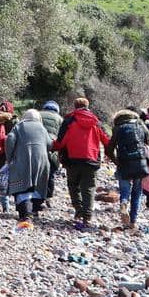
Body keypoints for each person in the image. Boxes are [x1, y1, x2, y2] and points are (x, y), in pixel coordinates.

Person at [52, 98, 111, 231]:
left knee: (73, 185)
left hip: (72, 160)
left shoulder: (69, 120)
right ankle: (87, 216)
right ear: (87, 106)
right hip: (91, 159)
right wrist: (110, 154)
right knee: (89, 188)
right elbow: (107, 140)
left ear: (75, 106)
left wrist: (51, 146)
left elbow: (60, 143)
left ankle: (78, 209)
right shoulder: (96, 122)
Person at [4, 109, 51, 222]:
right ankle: (35, 210)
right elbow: (49, 144)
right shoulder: (42, 128)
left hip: (22, 160)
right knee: (38, 184)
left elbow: (9, 140)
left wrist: (9, 158)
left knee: (22, 186)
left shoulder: (19, 127)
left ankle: (26, 213)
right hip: (41, 161)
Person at [107, 109, 149, 229]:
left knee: (124, 189)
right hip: (140, 162)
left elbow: (109, 150)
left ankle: (124, 203)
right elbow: (148, 142)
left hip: (124, 163)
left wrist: (117, 162)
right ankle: (133, 222)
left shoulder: (118, 128)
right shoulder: (140, 125)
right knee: (137, 192)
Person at [39, 101, 63, 204]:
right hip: (53, 149)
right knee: (51, 174)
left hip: (38, 148)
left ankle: (36, 196)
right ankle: (48, 196)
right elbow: (63, 137)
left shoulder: (38, 115)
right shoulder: (60, 119)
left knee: (37, 172)